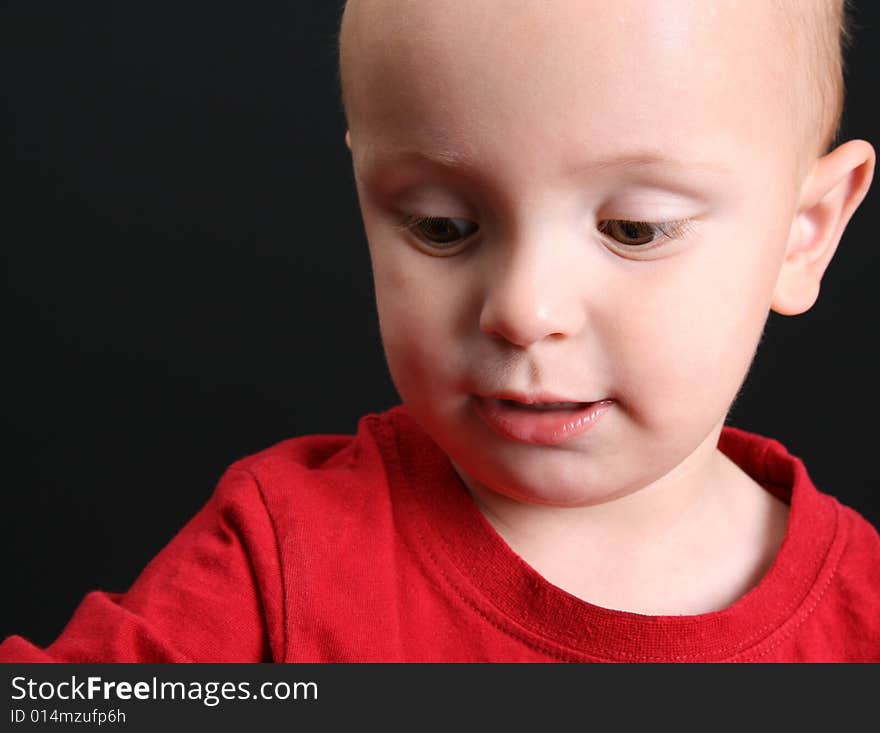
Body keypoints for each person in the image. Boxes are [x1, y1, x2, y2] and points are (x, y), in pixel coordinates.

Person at [2, 0, 878, 663]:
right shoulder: (279, 564)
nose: (524, 310)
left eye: (634, 229)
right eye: (442, 225)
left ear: (805, 232)